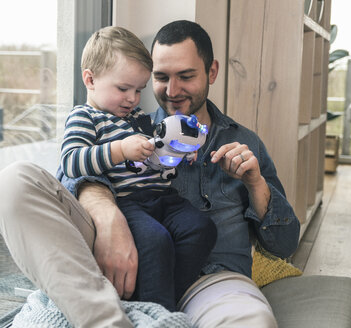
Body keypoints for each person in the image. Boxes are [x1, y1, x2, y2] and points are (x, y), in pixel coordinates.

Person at [0, 20, 300, 328]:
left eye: (186, 76)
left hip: (211, 281)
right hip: (118, 263)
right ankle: (114, 317)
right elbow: (72, 169)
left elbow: (285, 245)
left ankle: (146, 313)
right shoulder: (133, 124)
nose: (172, 91)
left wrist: (255, 184)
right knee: (14, 181)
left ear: (212, 72)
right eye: (160, 77)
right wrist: (105, 212)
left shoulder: (245, 143)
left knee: (252, 322)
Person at [60, 26, 217, 311]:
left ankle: (165, 298)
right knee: (155, 243)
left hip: (164, 198)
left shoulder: (138, 117)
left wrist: (178, 151)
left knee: (201, 227)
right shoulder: (85, 117)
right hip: (128, 203)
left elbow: (157, 153)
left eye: (139, 90)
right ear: (90, 79)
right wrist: (120, 150)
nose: (133, 99)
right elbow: (71, 162)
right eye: (123, 89)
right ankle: (155, 313)